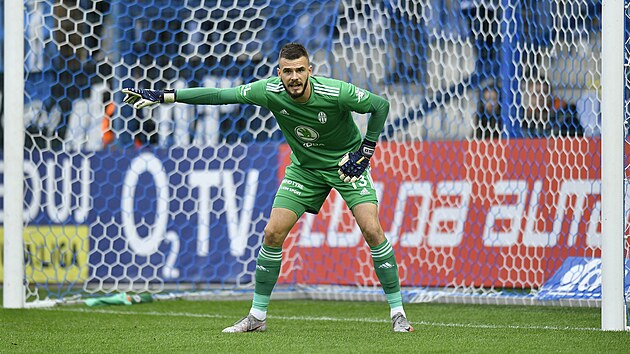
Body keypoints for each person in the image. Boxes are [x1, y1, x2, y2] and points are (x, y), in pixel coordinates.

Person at [121, 42, 413, 333]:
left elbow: (379, 106)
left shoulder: (335, 92)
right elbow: (222, 96)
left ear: (310, 71)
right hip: (305, 169)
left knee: (372, 229)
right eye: (288, 71)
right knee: (273, 233)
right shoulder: (269, 90)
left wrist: (365, 151)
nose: (294, 77)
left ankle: (398, 313)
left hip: (345, 166)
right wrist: (166, 96)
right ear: (279, 73)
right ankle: (257, 317)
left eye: (300, 70)